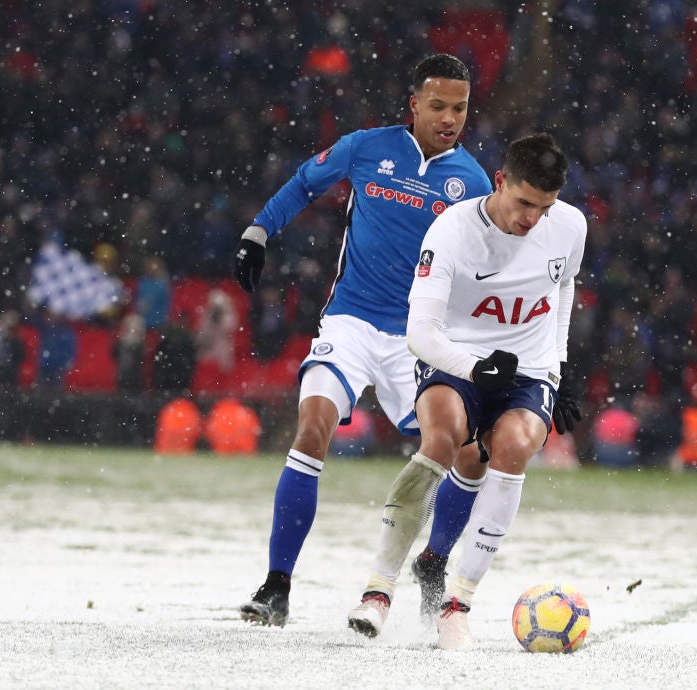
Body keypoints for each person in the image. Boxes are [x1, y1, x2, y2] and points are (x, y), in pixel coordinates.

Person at [234, 54, 492, 627]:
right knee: (311, 428)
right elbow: (305, 183)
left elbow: (482, 270)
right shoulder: (366, 147)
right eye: (439, 106)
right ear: (415, 105)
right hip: (349, 321)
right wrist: (259, 230)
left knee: (469, 451)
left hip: (419, 340)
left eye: (461, 108)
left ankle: (434, 559)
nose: (451, 117)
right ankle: (276, 586)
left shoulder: (472, 183)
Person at [348, 133, 586, 649]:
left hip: (530, 369)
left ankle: (456, 605)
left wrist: (561, 368)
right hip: (455, 357)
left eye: (544, 207)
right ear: (500, 181)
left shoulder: (569, 226)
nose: (532, 219)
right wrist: (477, 370)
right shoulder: (452, 229)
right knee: (445, 439)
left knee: (512, 448)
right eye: (524, 203)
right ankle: (378, 590)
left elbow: (563, 287)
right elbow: (420, 334)